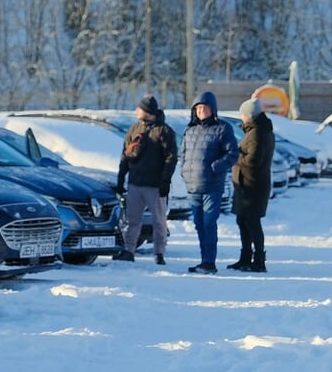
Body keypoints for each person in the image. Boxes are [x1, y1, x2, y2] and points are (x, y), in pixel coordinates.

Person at [113, 95, 178, 266]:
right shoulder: (134, 128)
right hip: (135, 182)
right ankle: (129, 250)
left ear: (148, 112)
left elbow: (171, 158)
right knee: (133, 220)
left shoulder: (164, 131)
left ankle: (159, 253)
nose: (137, 111)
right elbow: (125, 155)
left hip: (155, 185)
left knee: (159, 221)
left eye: (140, 109)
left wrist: (165, 182)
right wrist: (121, 179)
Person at [179, 90, 239, 274]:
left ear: (212, 109)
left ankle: (209, 261)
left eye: (204, 108)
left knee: (209, 223)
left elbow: (233, 154)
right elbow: (184, 154)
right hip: (193, 185)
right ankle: (203, 259)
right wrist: (184, 170)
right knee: (198, 224)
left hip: (212, 185)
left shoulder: (223, 128)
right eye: (197, 108)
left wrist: (217, 167)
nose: (200, 111)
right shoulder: (190, 131)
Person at [229, 98, 275, 272]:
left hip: (252, 185)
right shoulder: (258, 130)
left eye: (242, 114)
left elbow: (253, 159)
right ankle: (246, 257)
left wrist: (236, 156)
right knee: (243, 220)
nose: (241, 117)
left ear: (249, 115)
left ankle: (258, 260)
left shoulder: (257, 133)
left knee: (252, 222)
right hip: (247, 184)